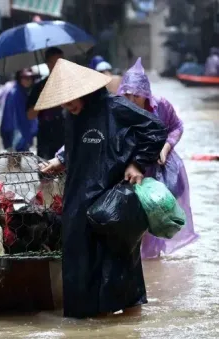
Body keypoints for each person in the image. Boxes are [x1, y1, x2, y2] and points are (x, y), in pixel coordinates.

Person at [37, 59, 167, 318]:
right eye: (63, 101)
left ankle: (129, 323)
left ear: (85, 92)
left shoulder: (116, 107)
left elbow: (156, 130)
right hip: (77, 199)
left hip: (113, 199)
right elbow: (77, 150)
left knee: (119, 259)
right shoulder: (70, 116)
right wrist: (60, 162)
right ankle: (90, 324)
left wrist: (137, 164)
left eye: (71, 99)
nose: (67, 105)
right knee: (80, 263)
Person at [117, 57, 198, 259]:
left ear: (146, 93)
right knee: (135, 217)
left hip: (161, 168)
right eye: (126, 94)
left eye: (136, 95)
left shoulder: (161, 106)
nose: (131, 100)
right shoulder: (118, 108)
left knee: (156, 215)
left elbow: (177, 126)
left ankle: (152, 262)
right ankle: (139, 261)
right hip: (133, 169)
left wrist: (167, 145)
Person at [26, 47, 65, 160]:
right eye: (55, 62)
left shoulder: (71, 84)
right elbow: (30, 115)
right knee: (46, 175)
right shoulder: (39, 87)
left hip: (68, 138)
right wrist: (44, 99)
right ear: (48, 64)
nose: (59, 66)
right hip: (46, 139)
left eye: (62, 62)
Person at [0, 68, 37, 155]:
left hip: (23, 132)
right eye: (24, 77)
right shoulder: (15, 94)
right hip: (16, 133)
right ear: (19, 78)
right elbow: (13, 118)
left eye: (30, 78)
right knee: (15, 161)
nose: (28, 80)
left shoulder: (26, 93)